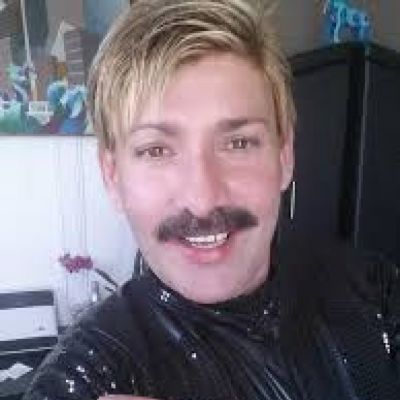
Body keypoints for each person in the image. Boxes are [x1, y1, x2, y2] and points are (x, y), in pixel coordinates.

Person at [24, 1, 400, 400]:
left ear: (285, 156)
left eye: (238, 143)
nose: (202, 200)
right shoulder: (88, 379)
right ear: (113, 177)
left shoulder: (374, 291)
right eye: (156, 150)